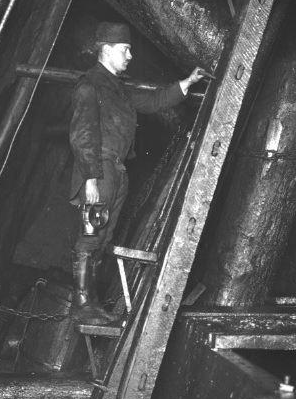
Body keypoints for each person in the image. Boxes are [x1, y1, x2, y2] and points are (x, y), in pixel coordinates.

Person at [68, 21, 207, 323]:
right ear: (106, 50)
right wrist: (90, 179)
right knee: (91, 234)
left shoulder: (119, 89)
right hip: (100, 171)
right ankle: (81, 304)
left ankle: (90, 303)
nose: (130, 56)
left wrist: (188, 81)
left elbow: (155, 101)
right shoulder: (89, 85)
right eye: (125, 50)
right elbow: (82, 135)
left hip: (116, 171)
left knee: (104, 236)